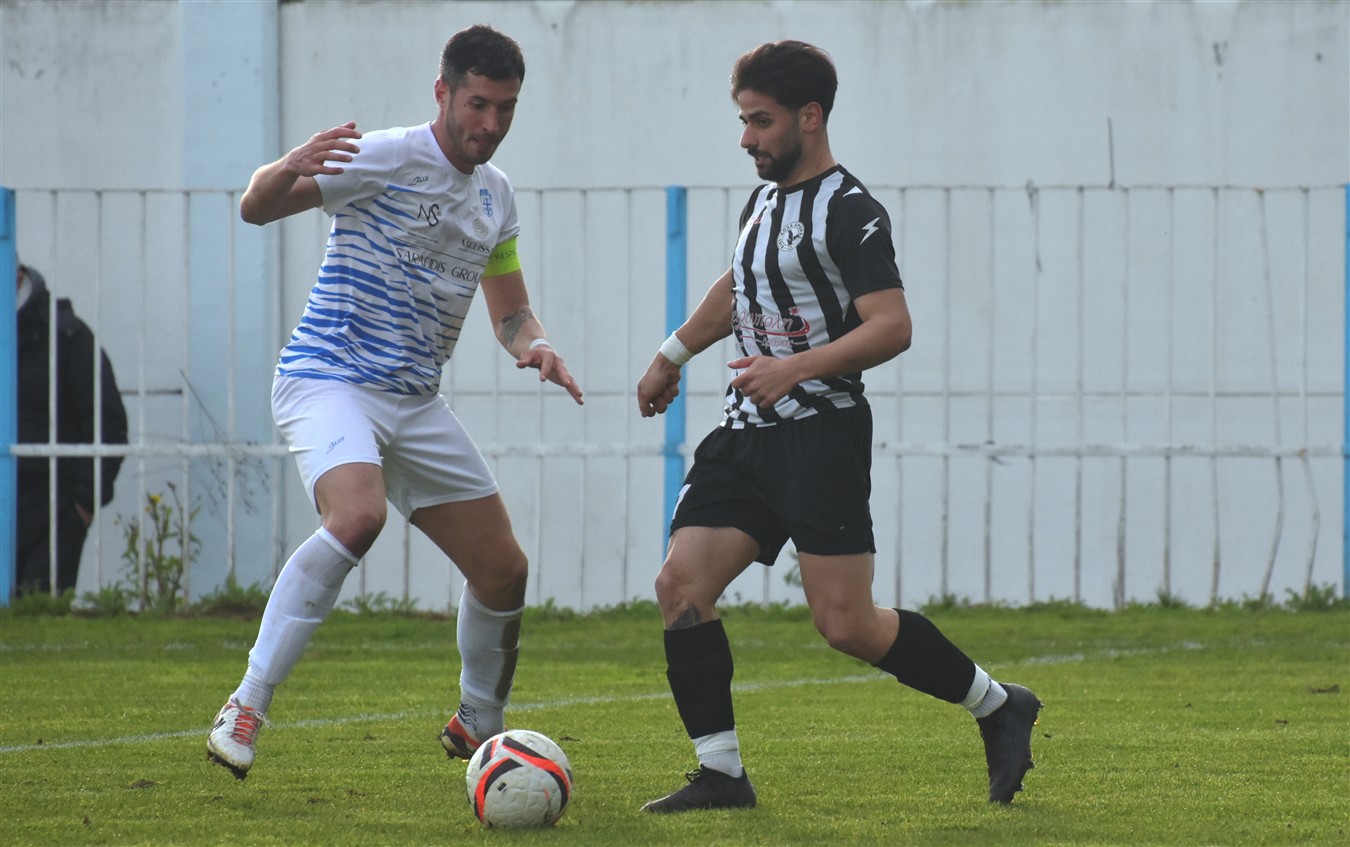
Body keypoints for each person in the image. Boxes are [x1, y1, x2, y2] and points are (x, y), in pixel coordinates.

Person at [635, 40, 1041, 813]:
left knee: (847, 623)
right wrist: (671, 353)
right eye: (743, 120)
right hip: (745, 435)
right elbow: (739, 286)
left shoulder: (851, 211)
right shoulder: (763, 205)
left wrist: (794, 368)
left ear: (810, 117)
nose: (746, 137)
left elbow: (892, 325)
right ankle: (721, 773)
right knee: (679, 584)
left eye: (760, 121)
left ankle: (998, 705)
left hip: (821, 436)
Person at [207, 24, 583, 780]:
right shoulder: (384, 155)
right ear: (443, 92)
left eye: (506, 109)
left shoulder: (497, 197)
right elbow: (255, 208)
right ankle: (245, 703)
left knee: (503, 570)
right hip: (329, 378)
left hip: (412, 401)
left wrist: (535, 343)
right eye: (478, 104)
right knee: (357, 515)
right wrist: (286, 167)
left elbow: (510, 311)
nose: (491, 124)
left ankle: (479, 720)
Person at [15, 262, 128, 597]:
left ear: (15, 274)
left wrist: (82, 507)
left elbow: (107, 425)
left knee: (39, 616)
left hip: (53, 516)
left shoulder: (68, 337)